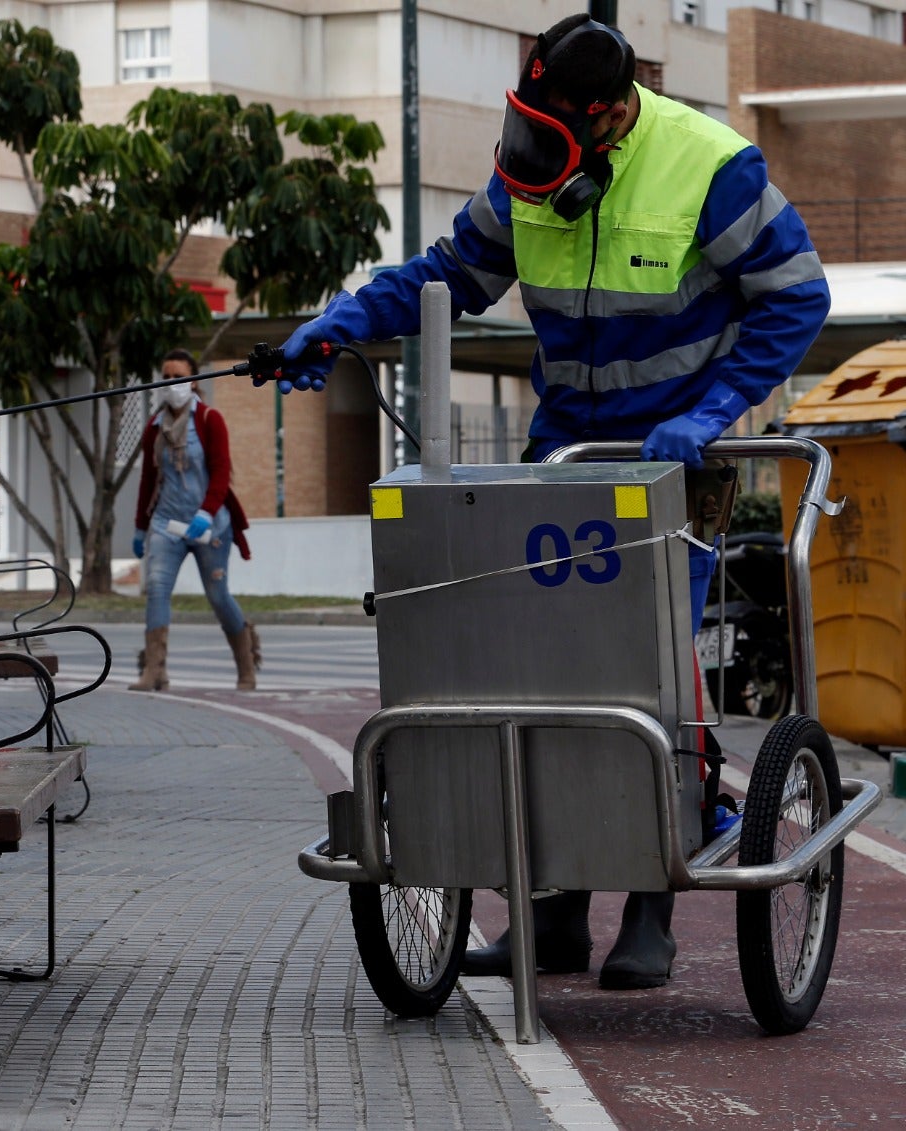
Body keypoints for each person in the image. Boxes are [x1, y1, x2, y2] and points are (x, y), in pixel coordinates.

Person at [272, 14, 830, 990]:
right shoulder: (526, 166)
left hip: (672, 454)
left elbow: (795, 297)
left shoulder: (711, 168)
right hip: (563, 446)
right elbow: (453, 275)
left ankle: (651, 901)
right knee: (532, 667)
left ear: (611, 118)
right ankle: (556, 910)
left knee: (644, 662)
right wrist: (341, 321)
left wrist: (709, 415)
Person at [130, 349, 261, 692]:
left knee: (218, 596)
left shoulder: (209, 419)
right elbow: (147, 478)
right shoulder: (153, 427)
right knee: (157, 590)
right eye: (167, 377)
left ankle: (246, 667)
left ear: (194, 380)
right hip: (165, 524)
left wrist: (206, 512)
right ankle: (154, 671)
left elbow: (221, 473)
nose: (172, 384)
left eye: (179, 377)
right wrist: (140, 527)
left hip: (210, 526)